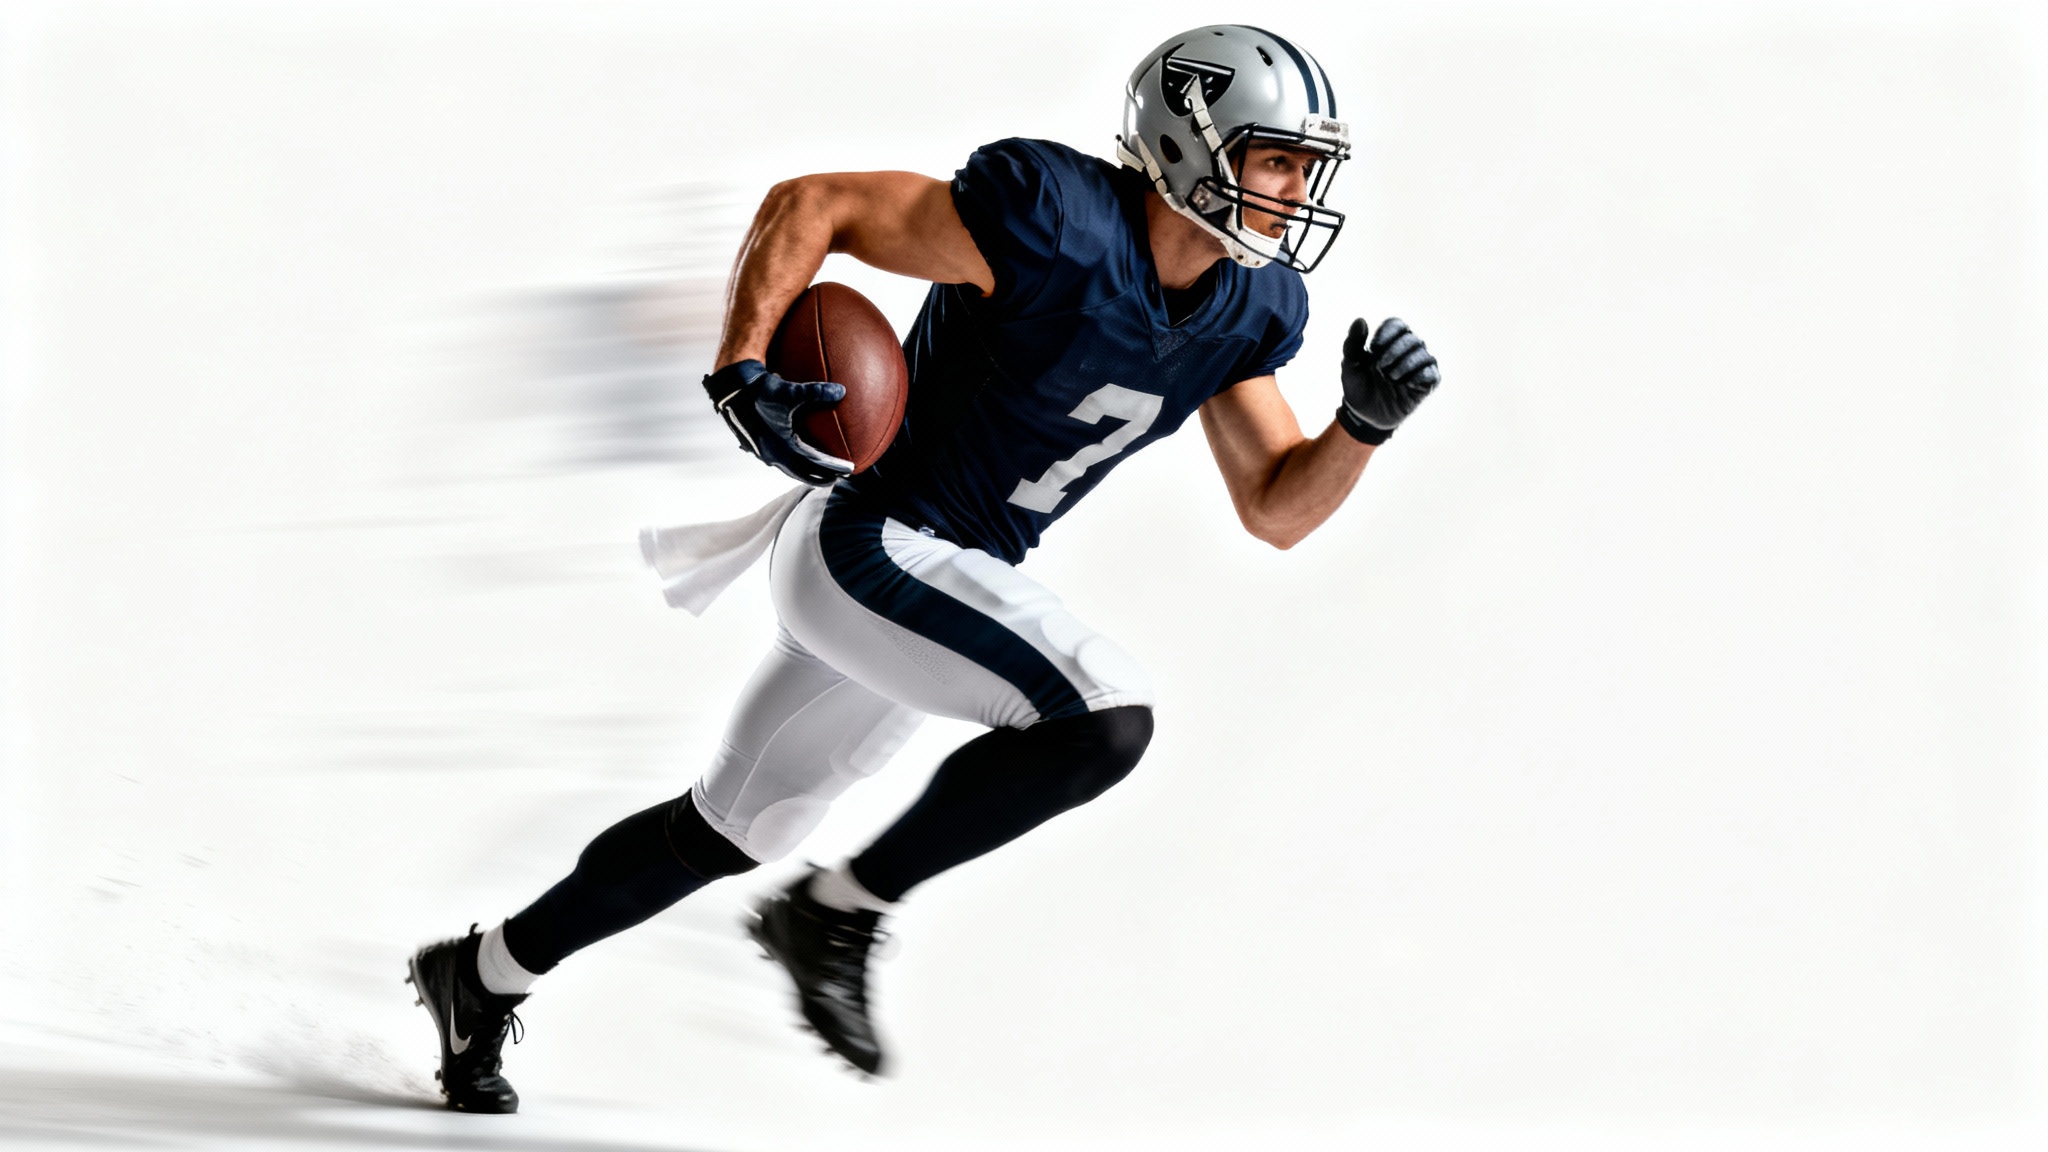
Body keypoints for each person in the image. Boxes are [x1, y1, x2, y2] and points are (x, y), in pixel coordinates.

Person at [406, 23, 1442, 1113]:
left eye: (1304, 167)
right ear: (1188, 143)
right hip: (874, 540)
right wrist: (739, 367)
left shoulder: (1248, 312)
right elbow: (815, 205)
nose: (1294, 190)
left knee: (724, 830)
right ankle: (841, 909)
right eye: (1274, 159)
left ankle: (479, 977)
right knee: (1101, 716)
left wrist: (1358, 431)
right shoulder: (1050, 220)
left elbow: (1277, 508)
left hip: (928, 591)